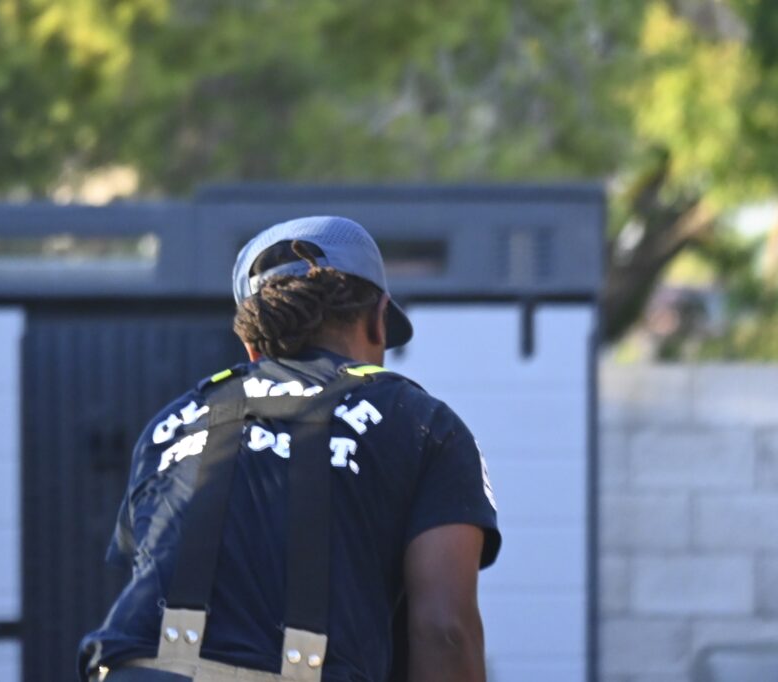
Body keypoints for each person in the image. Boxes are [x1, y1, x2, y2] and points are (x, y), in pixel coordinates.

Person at [79, 216, 501, 682]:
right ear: (378, 321)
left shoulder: (170, 426)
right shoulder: (423, 424)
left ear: (250, 344)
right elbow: (446, 631)